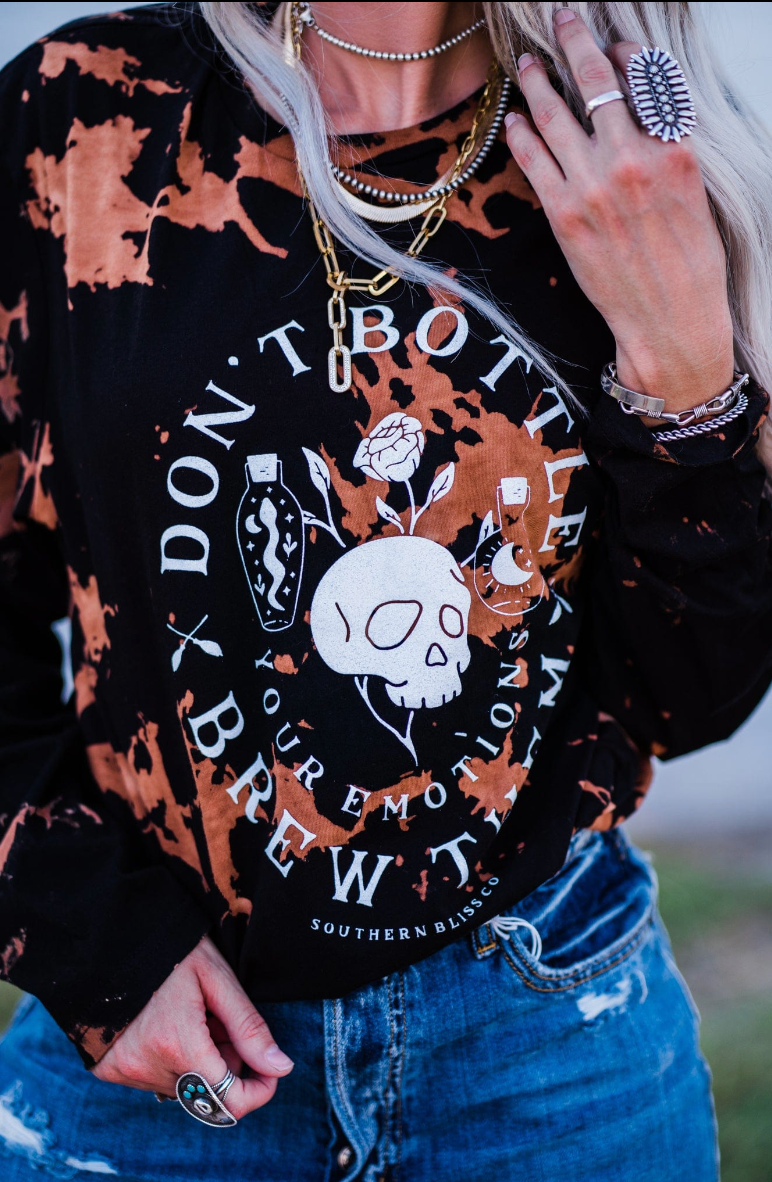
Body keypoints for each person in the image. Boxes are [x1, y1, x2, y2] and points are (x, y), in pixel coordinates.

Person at [1, 1, 770, 1178]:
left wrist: (684, 367)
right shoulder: (91, 117)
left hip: (554, 1041)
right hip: (162, 1044)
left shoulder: (625, 157)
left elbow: (690, 694)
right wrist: (92, 941)